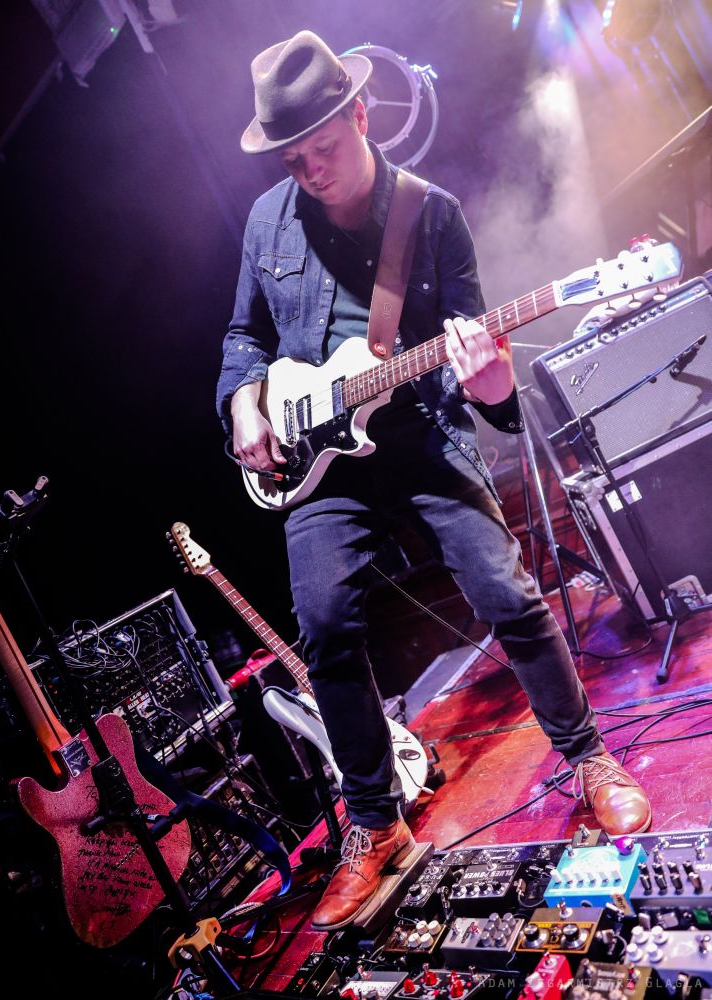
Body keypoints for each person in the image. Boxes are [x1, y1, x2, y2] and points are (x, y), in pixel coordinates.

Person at [216, 30, 651, 931]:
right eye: (293, 160)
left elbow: (482, 376)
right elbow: (244, 337)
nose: (310, 171)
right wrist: (242, 405)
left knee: (508, 594)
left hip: (422, 436)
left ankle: (587, 759)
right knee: (324, 629)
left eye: (322, 150)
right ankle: (376, 826)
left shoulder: (431, 213)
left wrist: (486, 373)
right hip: (320, 465)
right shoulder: (266, 222)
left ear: (359, 115)